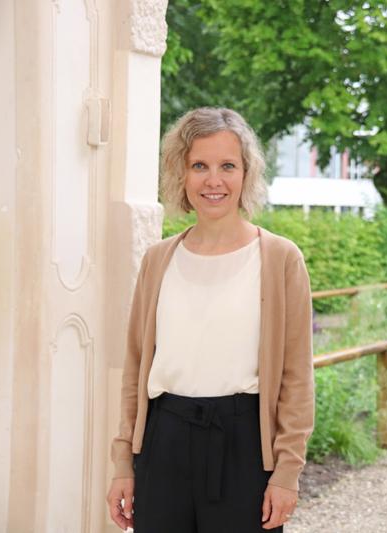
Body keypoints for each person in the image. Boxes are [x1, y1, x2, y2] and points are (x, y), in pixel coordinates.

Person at [106, 107, 314, 532]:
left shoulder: (280, 259)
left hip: (244, 448)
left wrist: (287, 473)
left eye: (227, 166)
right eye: (199, 165)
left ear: (246, 174)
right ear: (180, 174)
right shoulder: (157, 260)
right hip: (162, 444)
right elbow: (134, 372)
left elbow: (296, 379)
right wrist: (123, 463)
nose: (213, 180)